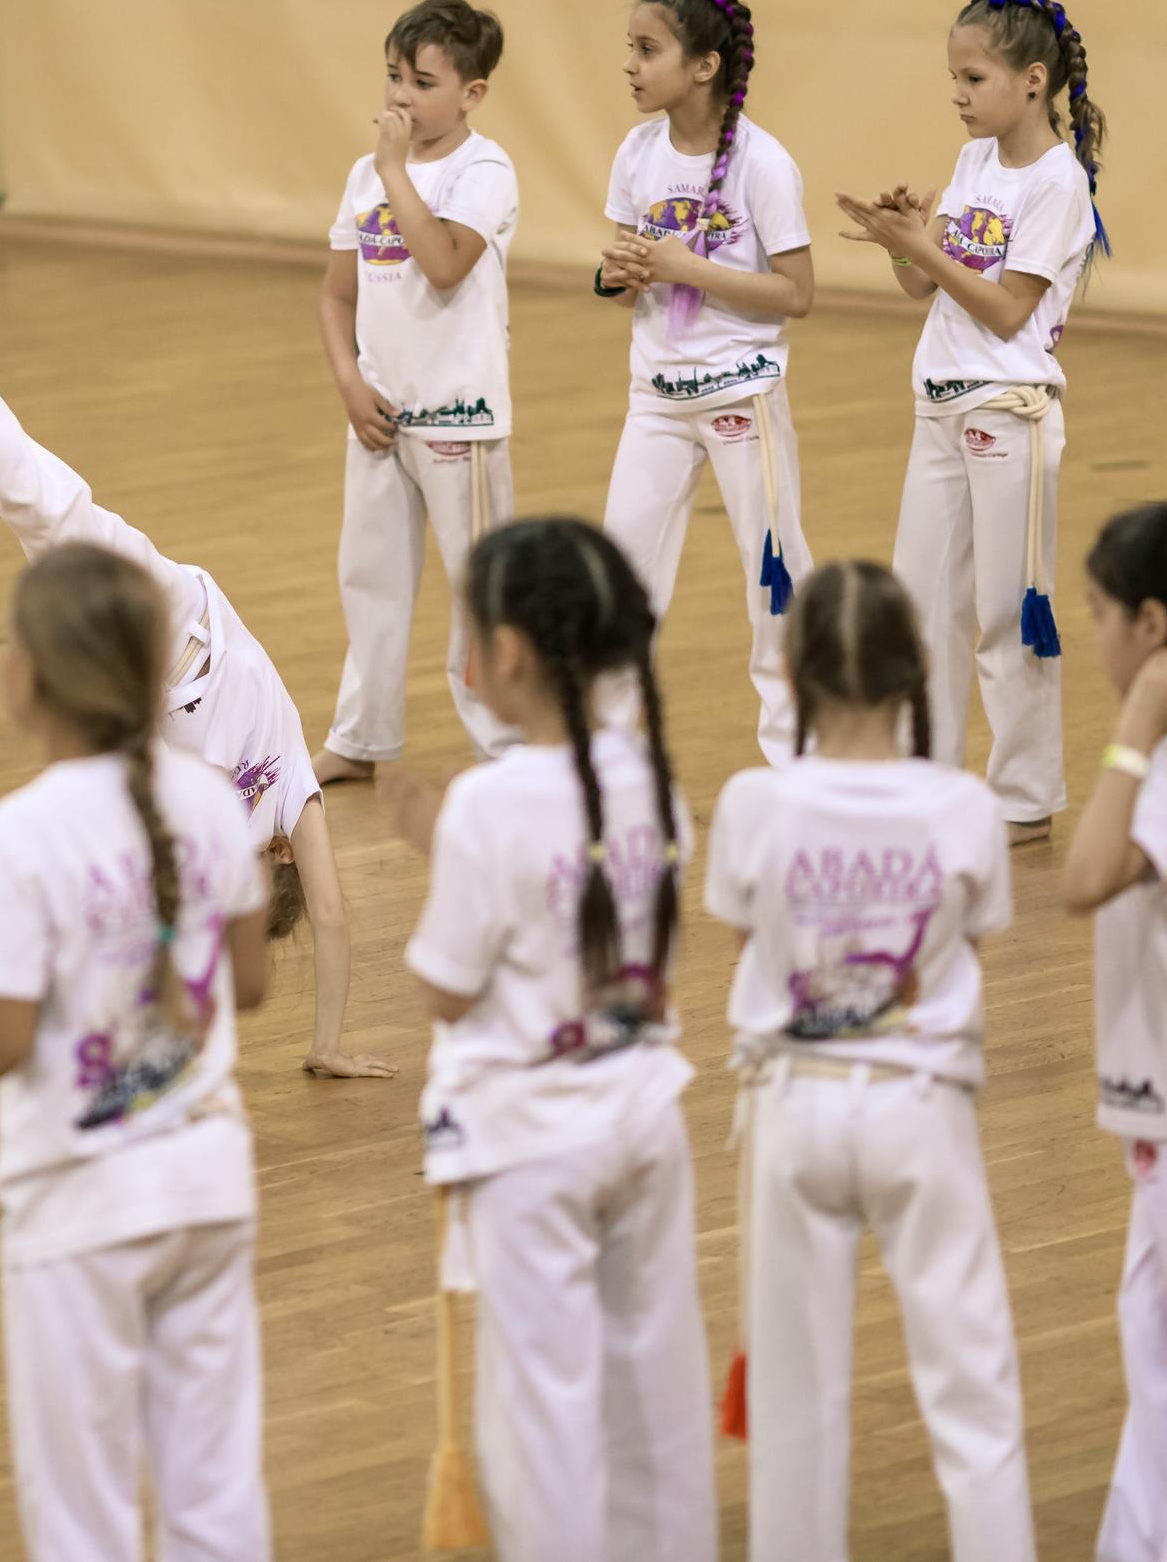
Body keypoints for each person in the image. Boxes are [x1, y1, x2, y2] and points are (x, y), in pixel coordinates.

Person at [0, 294, 389, 1079]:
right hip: (181, 611)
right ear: (282, 858)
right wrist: (327, 1042)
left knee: (37, 518)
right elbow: (332, 916)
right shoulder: (290, 798)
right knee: (41, 501)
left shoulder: (197, 839)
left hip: (132, 669)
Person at [394, 516, 714, 1562]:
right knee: (656, 1404)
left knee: (543, 1425)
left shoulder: (485, 806)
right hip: (643, 1119)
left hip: (532, 1145)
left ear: (509, 655)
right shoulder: (653, 780)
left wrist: (443, 847)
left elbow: (445, 990)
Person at [0, 543, 276, 1561]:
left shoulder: (22, 832)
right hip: (206, 1180)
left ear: (29, 677)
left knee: (81, 1511)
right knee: (216, 1489)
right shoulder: (212, 799)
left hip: (81, 1208)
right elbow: (251, 983)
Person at [706, 560, 1033, 1561]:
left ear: (791, 676)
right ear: (920, 669)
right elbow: (964, 951)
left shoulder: (751, 804)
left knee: (795, 1410)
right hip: (920, 1106)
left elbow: (744, 945)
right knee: (972, 1394)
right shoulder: (966, 808)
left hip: (791, 1112)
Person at [837, 0, 1108, 843]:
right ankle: (928, 774)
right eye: (952, 75)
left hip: (1009, 414)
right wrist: (906, 239)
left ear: (1033, 80)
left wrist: (925, 248)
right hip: (941, 407)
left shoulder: (1058, 182)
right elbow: (924, 286)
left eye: (973, 75)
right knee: (921, 603)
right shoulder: (973, 164)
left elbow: (1004, 312)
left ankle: (1024, 795)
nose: (956, 92)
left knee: (1005, 609)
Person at [595, 0, 815, 766]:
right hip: (654, 399)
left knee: (775, 580)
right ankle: (605, 752)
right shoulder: (636, 151)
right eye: (630, 47)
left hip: (740, 397)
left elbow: (796, 293)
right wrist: (621, 274)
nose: (630, 64)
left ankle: (800, 755)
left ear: (704, 66)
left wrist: (688, 267)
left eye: (647, 49)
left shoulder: (764, 163)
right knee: (621, 575)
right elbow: (621, 279)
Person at [1059, 502, 1167, 1562]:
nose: (1089, 633)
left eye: (1100, 612)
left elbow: (1081, 880)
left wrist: (1129, 735)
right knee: (1156, 1344)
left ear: (1152, 628)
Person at [315, 0, 518, 781]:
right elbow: (337, 293)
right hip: (379, 413)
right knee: (369, 576)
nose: (400, 96)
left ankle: (503, 746)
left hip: (459, 417)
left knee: (480, 588)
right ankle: (362, 737)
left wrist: (397, 171)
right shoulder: (365, 174)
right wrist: (348, 383)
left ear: (473, 93)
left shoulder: (484, 170)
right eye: (395, 76)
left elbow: (442, 261)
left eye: (423, 82)